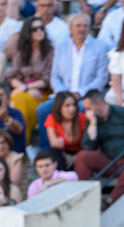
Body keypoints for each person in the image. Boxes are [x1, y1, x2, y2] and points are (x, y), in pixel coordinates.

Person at [40, 14, 109, 148]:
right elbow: (54, 75)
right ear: (70, 28)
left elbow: (101, 78)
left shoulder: (99, 47)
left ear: (90, 28)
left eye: (85, 26)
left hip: (86, 96)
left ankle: (81, 149)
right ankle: (46, 149)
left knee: (81, 108)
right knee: (42, 110)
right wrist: (65, 95)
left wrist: (80, 93)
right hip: (63, 95)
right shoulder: (61, 47)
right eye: (78, 26)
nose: (81, 29)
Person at [77, 89, 124, 204]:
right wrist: (93, 124)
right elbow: (88, 147)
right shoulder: (92, 119)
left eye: (88, 108)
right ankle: (82, 199)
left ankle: (110, 200)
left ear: (99, 104)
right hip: (108, 161)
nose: (86, 112)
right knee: (82, 156)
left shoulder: (123, 113)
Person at [9, 17, 55, 138]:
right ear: (27, 32)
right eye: (34, 29)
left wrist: (25, 87)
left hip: (43, 91)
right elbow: (13, 76)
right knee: (16, 98)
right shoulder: (20, 51)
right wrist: (25, 88)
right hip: (25, 90)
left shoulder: (50, 52)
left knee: (17, 98)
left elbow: (47, 79)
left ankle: (23, 141)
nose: (39, 31)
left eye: (41, 28)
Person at [44, 92, 87, 167]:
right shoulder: (52, 118)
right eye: (67, 106)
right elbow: (53, 143)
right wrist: (59, 144)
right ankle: (60, 178)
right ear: (59, 107)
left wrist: (75, 158)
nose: (72, 108)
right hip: (63, 154)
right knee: (53, 153)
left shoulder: (83, 118)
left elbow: (89, 145)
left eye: (74, 105)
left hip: (81, 153)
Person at [0, 129, 30, 199]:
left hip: (14, 196)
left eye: (3, 143)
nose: (0, 146)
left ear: (9, 143)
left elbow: (14, 183)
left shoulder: (17, 159)